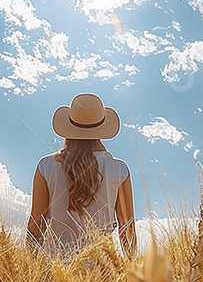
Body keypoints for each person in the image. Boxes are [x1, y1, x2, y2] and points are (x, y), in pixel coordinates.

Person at [26, 93, 136, 258]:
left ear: (68, 128)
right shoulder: (119, 170)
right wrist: (132, 273)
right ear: (101, 129)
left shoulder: (46, 166)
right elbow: (127, 228)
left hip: (56, 268)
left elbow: (36, 226)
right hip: (103, 271)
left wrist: (27, 271)